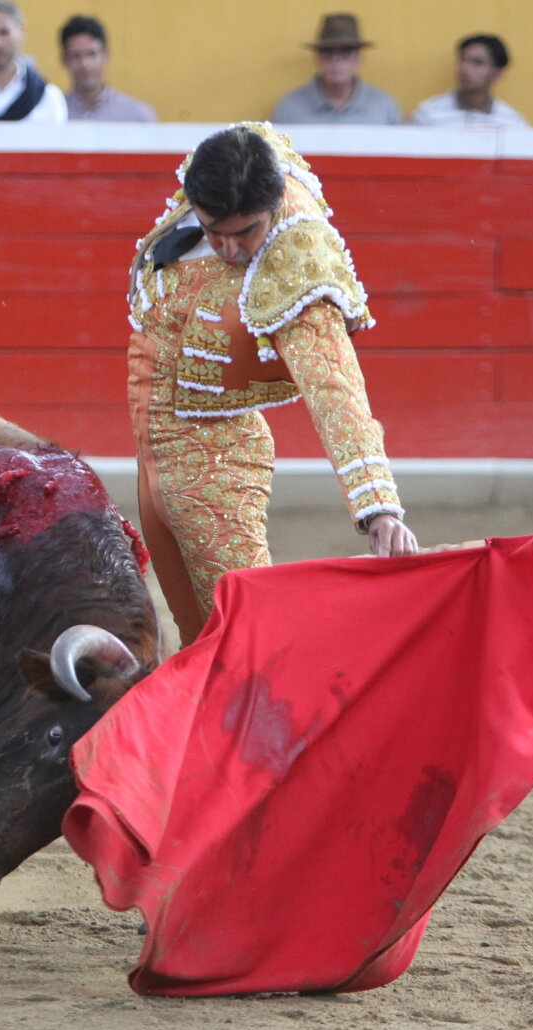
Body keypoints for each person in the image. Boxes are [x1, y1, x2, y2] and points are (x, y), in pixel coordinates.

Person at [127, 122, 417, 646]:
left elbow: (336, 388)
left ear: (274, 203)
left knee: (250, 639)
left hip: (217, 466)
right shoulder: (222, 172)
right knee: (199, 638)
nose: (230, 248)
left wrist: (379, 508)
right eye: (215, 230)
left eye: (246, 232)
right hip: (153, 459)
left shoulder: (297, 258)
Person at [270, 13, 400, 126]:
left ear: (359, 57)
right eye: (328, 51)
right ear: (317, 57)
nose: (336, 60)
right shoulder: (290, 107)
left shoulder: (383, 107)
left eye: (346, 51)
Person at [410, 34, 527, 128]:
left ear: (497, 74)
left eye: (477, 63)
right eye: (462, 60)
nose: (464, 68)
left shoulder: (512, 123)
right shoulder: (428, 115)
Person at [59, 14, 155, 122]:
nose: (85, 64)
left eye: (92, 54)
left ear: (106, 55)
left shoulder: (137, 116)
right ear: (64, 60)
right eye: (76, 55)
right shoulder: (52, 115)